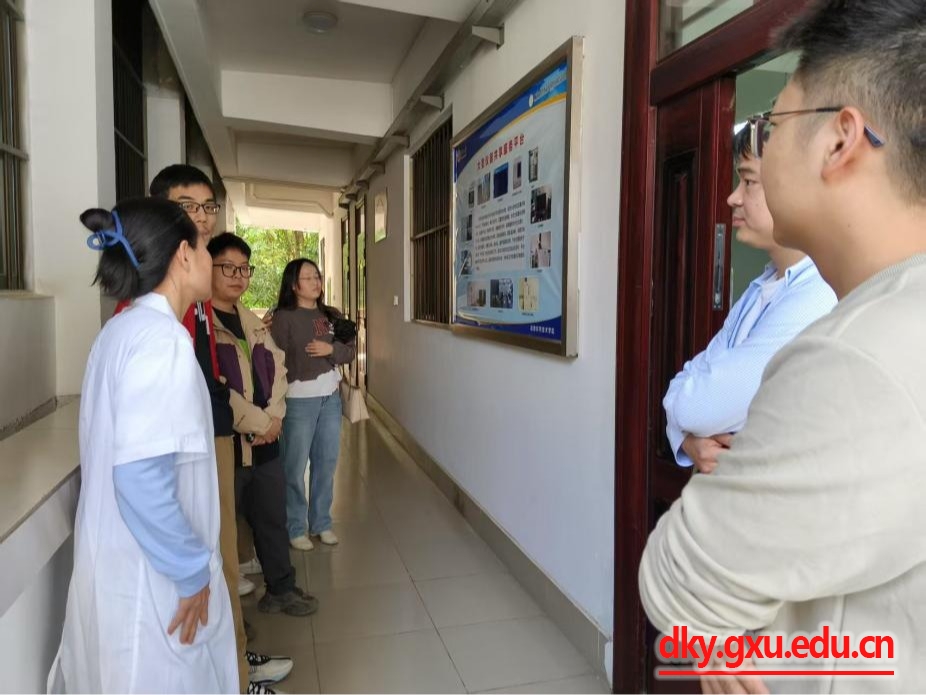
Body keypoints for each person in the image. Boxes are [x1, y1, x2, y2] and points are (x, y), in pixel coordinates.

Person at [640, 1, 926, 692]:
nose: (757, 159)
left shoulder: (856, 355)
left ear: (839, 140)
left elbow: (677, 578)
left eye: (771, 125)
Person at [49, 198, 236, 693]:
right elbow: (139, 476)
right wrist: (190, 571)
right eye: (203, 246)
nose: (208, 256)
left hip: (124, 571)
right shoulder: (161, 342)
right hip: (154, 586)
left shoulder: (121, 331)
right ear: (183, 255)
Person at [115, 165, 288, 693]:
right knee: (210, 562)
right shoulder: (157, 329)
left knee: (222, 556)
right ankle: (232, 675)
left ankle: (233, 661)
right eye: (189, 207)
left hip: (214, 435)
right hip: (202, 440)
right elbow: (139, 470)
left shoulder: (183, 311)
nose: (204, 219)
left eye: (208, 206)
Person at [662, 127, 836, 473]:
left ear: (793, 187)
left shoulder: (819, 296)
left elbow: (696, 406)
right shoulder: (761, 287)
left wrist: (688, 418)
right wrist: (687, 439)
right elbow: (686, 385)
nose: (733, 197)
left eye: (749, 182)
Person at [208, 233, 319, 617]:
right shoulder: (203, 326)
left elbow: (279, 370)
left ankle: (281, 588)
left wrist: (274, 417)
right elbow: (216, 387)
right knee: (224, 529)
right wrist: (259, 422)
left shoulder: (252, 322)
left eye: (244, 269)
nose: (238, 276)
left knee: (272, 517)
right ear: (207, 268)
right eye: (228, 267)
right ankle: (228, 619)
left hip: (266, 442)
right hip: (232, 445)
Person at [271, 259, 355, 551]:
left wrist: (330, 349)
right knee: (294, 467)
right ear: (294, 285)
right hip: (298, 401)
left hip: (330, 398)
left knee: (326, 463)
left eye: (317, 276)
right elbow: (274, 360)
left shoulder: (331, 315)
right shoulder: (283, 318)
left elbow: (349, 353)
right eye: (308, 277)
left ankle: (321, 523)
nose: (315, 282)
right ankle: (295, 527)